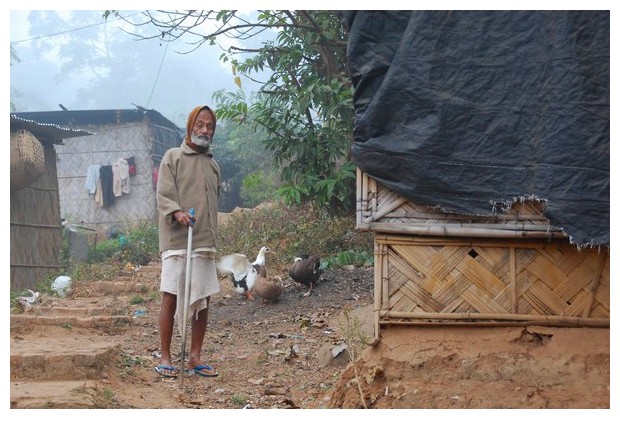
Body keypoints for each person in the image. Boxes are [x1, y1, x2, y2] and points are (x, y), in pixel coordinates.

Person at [154, 105, 222, 378]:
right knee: (170, 296)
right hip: (177, 240)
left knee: (203, 299)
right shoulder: (173, 157)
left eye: (210, 126)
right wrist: (178, 213)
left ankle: (195, 357)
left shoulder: (213, 164)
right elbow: (164, 194)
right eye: (200, 124)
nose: (205, 130)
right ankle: (165, 356)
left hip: (203, 239)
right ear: (190, 125)